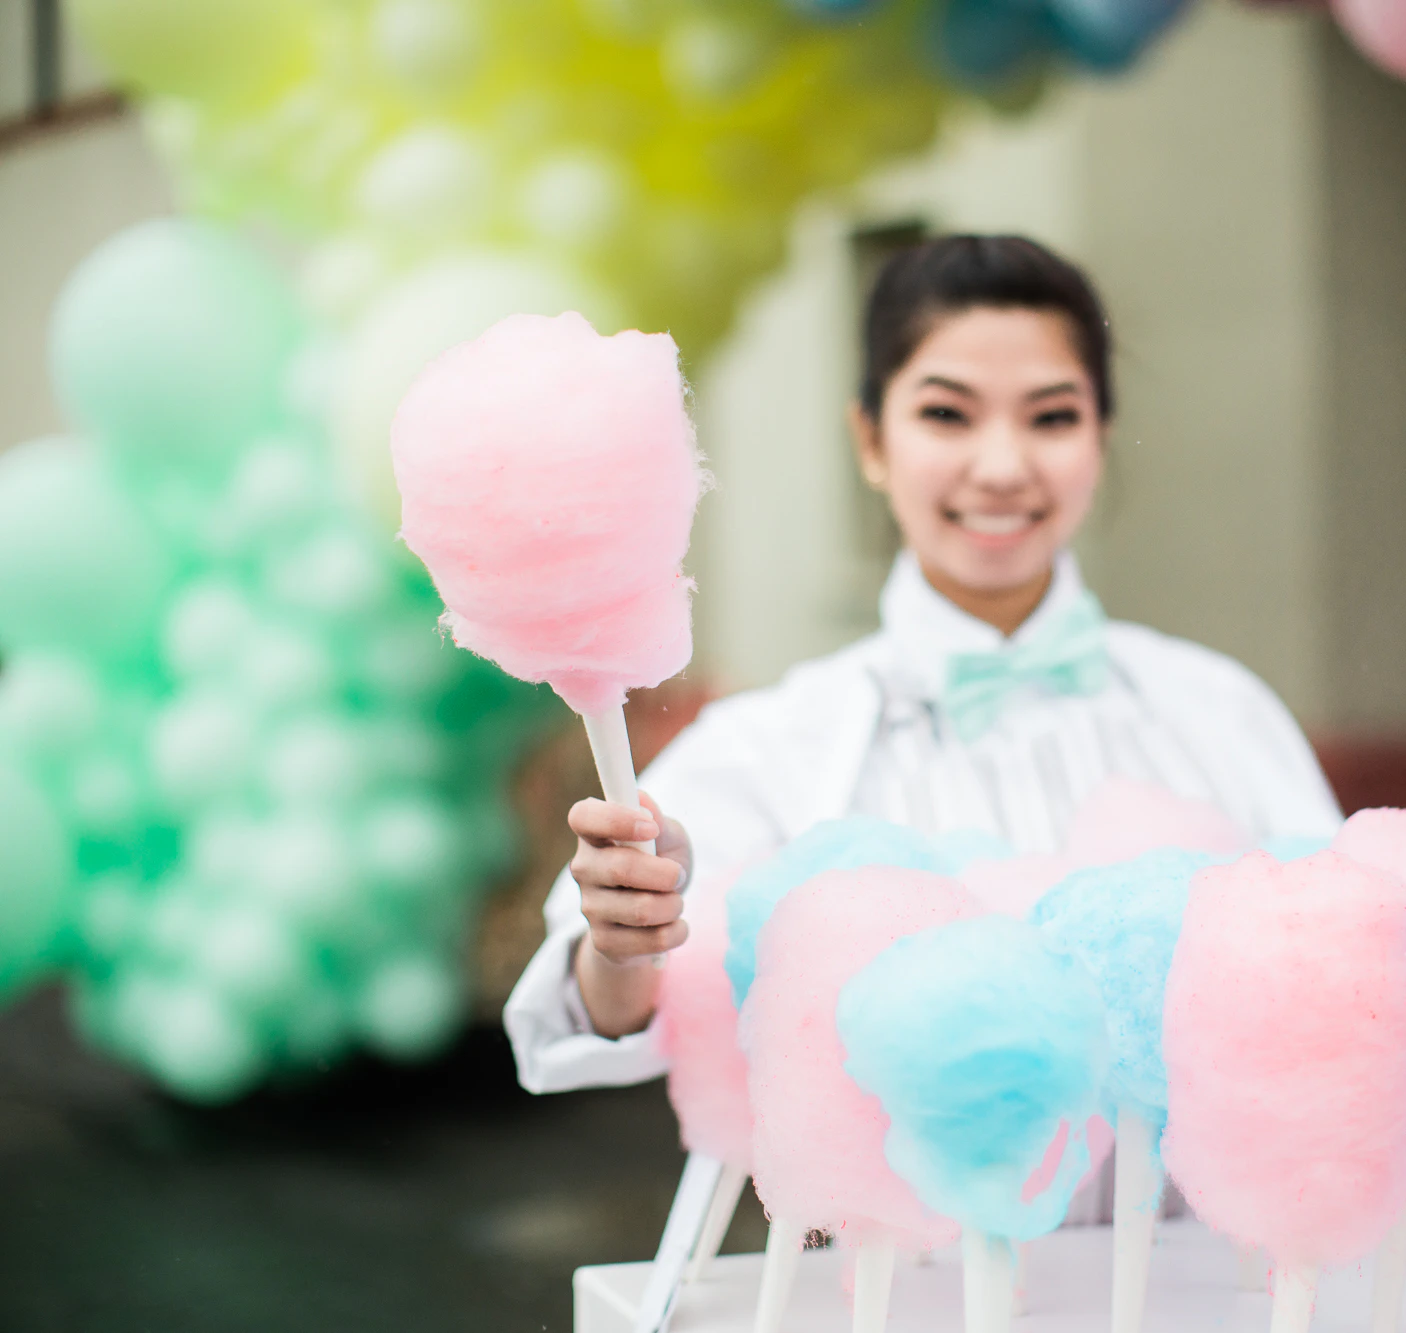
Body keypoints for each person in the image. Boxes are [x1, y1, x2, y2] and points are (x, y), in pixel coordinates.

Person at [503, 235, 1341, 1102]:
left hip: (1194, 1239)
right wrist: (623, 938)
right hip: (900, 1242)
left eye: (1052, 416)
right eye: (948, 414)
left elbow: (1346, 979)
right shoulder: (774, 747)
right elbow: (597, 1013)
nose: (1004, 467)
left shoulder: (1220, 710)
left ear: (1101, 437)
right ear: (870, 439)